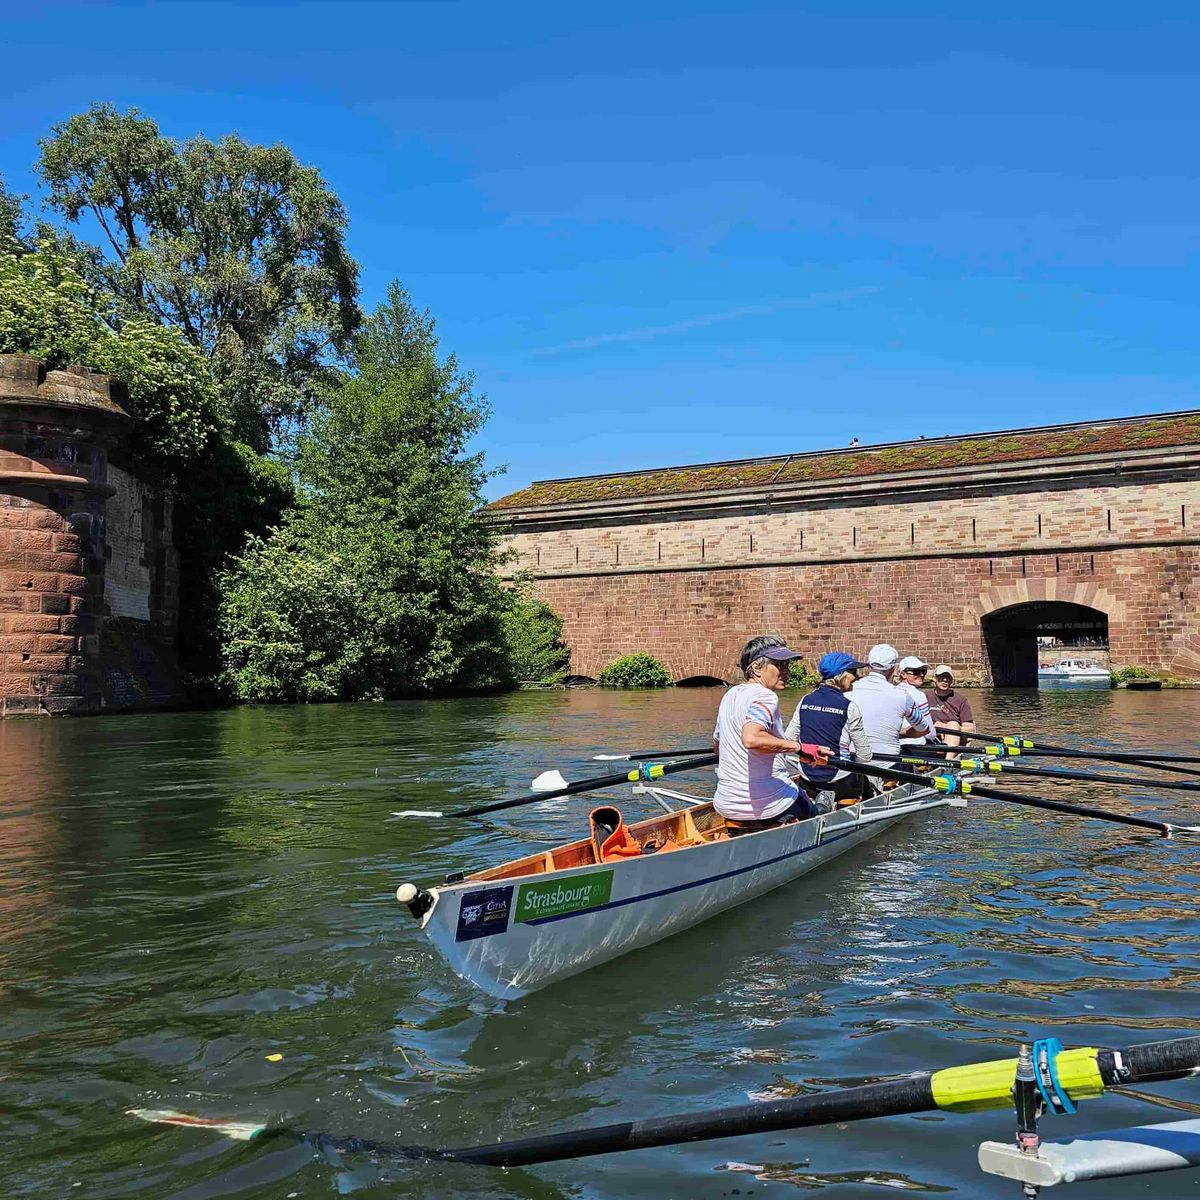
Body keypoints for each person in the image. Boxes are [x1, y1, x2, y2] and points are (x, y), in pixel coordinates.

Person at [711, 636, 822, 834]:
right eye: (779, 665)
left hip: (726, 803)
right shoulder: (765, 696)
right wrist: (800, 748)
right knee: (812, 809)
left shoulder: (730, 695)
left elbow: (718, 746)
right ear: (756, 668)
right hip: (768, 805)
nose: (787, 671)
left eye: (787, 665)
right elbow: (752, 738)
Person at [785, 651, 873, 806]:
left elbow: (789, 740)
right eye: (853, 672)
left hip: (808, 780)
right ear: (842, 675)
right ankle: (868, 803)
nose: (857, 677)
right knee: (864, 775)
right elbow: (865, 756)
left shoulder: (805, 700)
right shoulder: (849, 707)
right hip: (841, 784)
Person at [849, 643, 935, 760]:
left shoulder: (849, 691)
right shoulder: (902, 696)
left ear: (869, 666)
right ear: (894, 669)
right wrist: (901, 734)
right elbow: (924, 729)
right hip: (888, 762)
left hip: (854, 759)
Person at [926, 664, 976, 748]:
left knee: (952, 724)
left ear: (951, 681)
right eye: (941, 677)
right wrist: (933, 726)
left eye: (948, 677)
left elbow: (970, 729)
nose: (944, 680)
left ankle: (949, 759)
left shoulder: (961, 700)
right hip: (929, 737)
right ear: (934, 679)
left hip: (954, 739)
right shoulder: (924, 697)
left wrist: (946, 728)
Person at [896, 655, 937, 747]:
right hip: (916, 744)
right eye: (916, 672)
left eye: (923, 671)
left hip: (896, 744)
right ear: (903, 674)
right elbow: (930, 732)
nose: (921, 675)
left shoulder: (893, 691)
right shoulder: (919, 695)